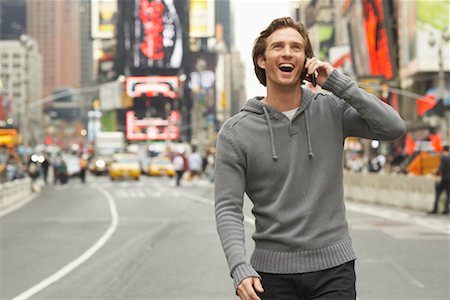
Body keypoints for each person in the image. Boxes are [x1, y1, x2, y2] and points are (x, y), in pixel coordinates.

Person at [214, 17, 406, 300]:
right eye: (278, 46)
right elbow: (228, 209)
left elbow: (393, 127)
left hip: (334, 271)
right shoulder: (235, 132)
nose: (288, 53)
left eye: (296, 47)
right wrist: (240, 267)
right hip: (270, 275)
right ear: (261, 60)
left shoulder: (332, 110)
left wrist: (339, 84)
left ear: (306, 62)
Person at [430, 145, 450, 214]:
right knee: (448, 195)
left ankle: (435, 209)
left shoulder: (443, 157)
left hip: (444, 178)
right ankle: (446, 209)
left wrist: (436, 172)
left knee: (438, 193)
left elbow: (441, 168)